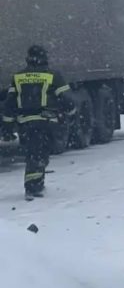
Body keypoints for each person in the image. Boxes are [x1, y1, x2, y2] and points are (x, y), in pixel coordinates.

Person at [2, 45, 75, 199]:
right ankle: (33, 187)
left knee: (33, 152)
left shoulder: (18, 76)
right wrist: (71, 112)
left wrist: (7, 127)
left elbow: (10, 104)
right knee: (39, 154)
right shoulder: (53, 75)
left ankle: (35, 183)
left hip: (25, 123)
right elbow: (67, 99)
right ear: (44, 57)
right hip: (45, 121)